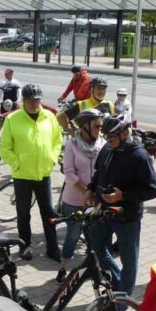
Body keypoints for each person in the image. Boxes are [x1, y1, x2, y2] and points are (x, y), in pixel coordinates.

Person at [84, 114, 156, 295]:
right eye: (106, 137)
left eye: (111, 137)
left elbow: (152, 189)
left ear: (124, 134)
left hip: (126, 217)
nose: (108, 141)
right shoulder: (107, 149)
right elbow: (98, 173)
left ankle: (123, 300)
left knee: (129, 260)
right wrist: (91, 188)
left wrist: (122, 196)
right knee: (98, 247)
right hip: (103, 211)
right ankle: (119, 283)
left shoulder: (139, 156)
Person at [0, 84, 63, 261]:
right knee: (23, 214)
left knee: (48, 213)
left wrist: (52, 158)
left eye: (37, 100)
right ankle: (24, 246)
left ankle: (52, 247)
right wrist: (16, 163)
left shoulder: (49, 117)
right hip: (22, 176)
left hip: (44, 174)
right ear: (24, 100)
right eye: (30, 100)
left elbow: (58, 141)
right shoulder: (13, 119)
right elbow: (4, 148)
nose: (34, 103)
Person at [59, 109, 105, 279]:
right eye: (96, 127)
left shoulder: (102, 144)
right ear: (85, 127)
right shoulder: (72, 145)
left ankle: (94, 269)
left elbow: (104, 170)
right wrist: (86, 191)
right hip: (73, 200)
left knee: (94, 235)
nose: (99, 130)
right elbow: (69, 172)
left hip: (95, 200)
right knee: (73, 234)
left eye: (101, 127)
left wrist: (95, 193)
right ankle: (63, 268)